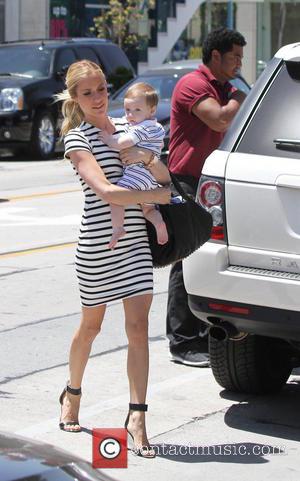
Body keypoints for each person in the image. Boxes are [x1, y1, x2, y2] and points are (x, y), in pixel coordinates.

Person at [56, 60, 171, 458]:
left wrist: (150, 162)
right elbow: (106, 191)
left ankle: (137, 416)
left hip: (135, 243)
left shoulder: (128, 127)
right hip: (98, 246)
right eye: (87, 93)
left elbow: (165, 176)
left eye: (102, 88)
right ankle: (72, 390)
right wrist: (154, 196)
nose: (98, 98)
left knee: (138, 329)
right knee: (91, 327)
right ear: (75, 98)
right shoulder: (77, 139)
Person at [167, 27, 247, 367]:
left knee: (208, 257)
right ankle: (182, 342)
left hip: (212, 182)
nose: (239, 64)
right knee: (185, 258)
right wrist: (241, 98)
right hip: (186, 180)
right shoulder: (194, 85)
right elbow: (218, 120)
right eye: (234, 57)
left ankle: (201, 334)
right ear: (215, 56)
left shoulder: (224, 87)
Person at [99, 82, 168, 249]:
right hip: (151, 178)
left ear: (152, 111)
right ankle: (159, 224)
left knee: (116, 200)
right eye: (127, 110)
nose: (130, 115)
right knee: (148, 210)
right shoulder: (156, 126)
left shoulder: (141, 128)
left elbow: (125, 141)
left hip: (137, 175)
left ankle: (118, 228)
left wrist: (109, 140)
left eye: (137, 110)